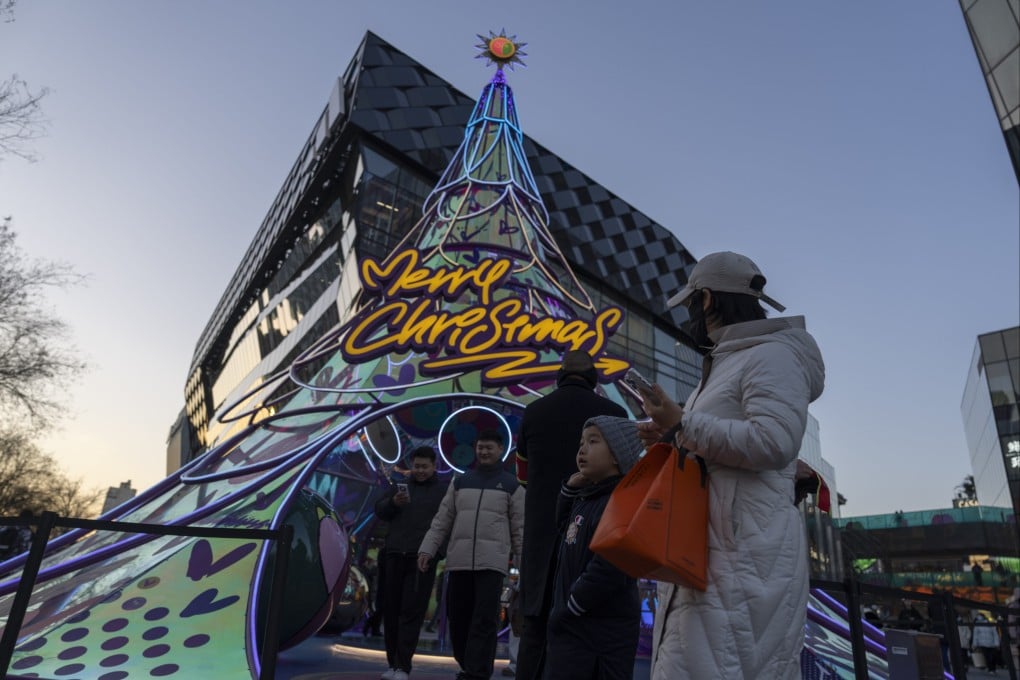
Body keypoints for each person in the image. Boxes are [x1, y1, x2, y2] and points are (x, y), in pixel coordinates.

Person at [636, 251, 825, 679]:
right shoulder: (733, 360)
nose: (690, 317)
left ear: (706, 300)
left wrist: (684, 421)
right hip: (719, 551)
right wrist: (673, 432)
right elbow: (722, 441)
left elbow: (773, 442)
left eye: (690, 305)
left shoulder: (770, 356)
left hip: (743, 559)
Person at [514, 350, 626, 680]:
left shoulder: (534, 413)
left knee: (535, 630)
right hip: (596, 536)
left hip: (541, 537)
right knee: (582, 628)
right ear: (594, 379)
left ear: (559, 376)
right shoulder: (615, 413)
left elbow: (523, 477)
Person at [418, 429, 525, 680]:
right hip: (459, 562)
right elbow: (442, 520)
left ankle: (477, 672)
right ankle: (467, 664)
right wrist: (427, 548)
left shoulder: (512, 486)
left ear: (500, 450)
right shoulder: (461, 481)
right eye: (480, 447)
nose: (484, 451)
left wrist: (524, 566)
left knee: (484, 621)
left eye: (489, 447)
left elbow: (520, 531)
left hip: (492, 565)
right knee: (459, 618)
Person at [545, 416, 643, 680]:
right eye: (581, 442)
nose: (582, 449)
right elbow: (565, 528)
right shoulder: (589, 496)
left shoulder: (622, 500)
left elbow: (611, 562)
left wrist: (573, 604)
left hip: (600, 632)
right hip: (575, 627)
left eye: (593, 441)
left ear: (617, 456)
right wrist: (568, 492)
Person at [374, 446, 449, 680]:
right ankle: (392, 664)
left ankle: (403, 666)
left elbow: (448, 524)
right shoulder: (398, 487)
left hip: (421, 560)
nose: (420, 471)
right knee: (391, 610)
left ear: (434, 466)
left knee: (412, 613)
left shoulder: (443, 491)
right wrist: (394, 503)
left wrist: (437, 553)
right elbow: (380, 511)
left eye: (425, 466)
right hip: (394, 554)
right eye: (416, 466)